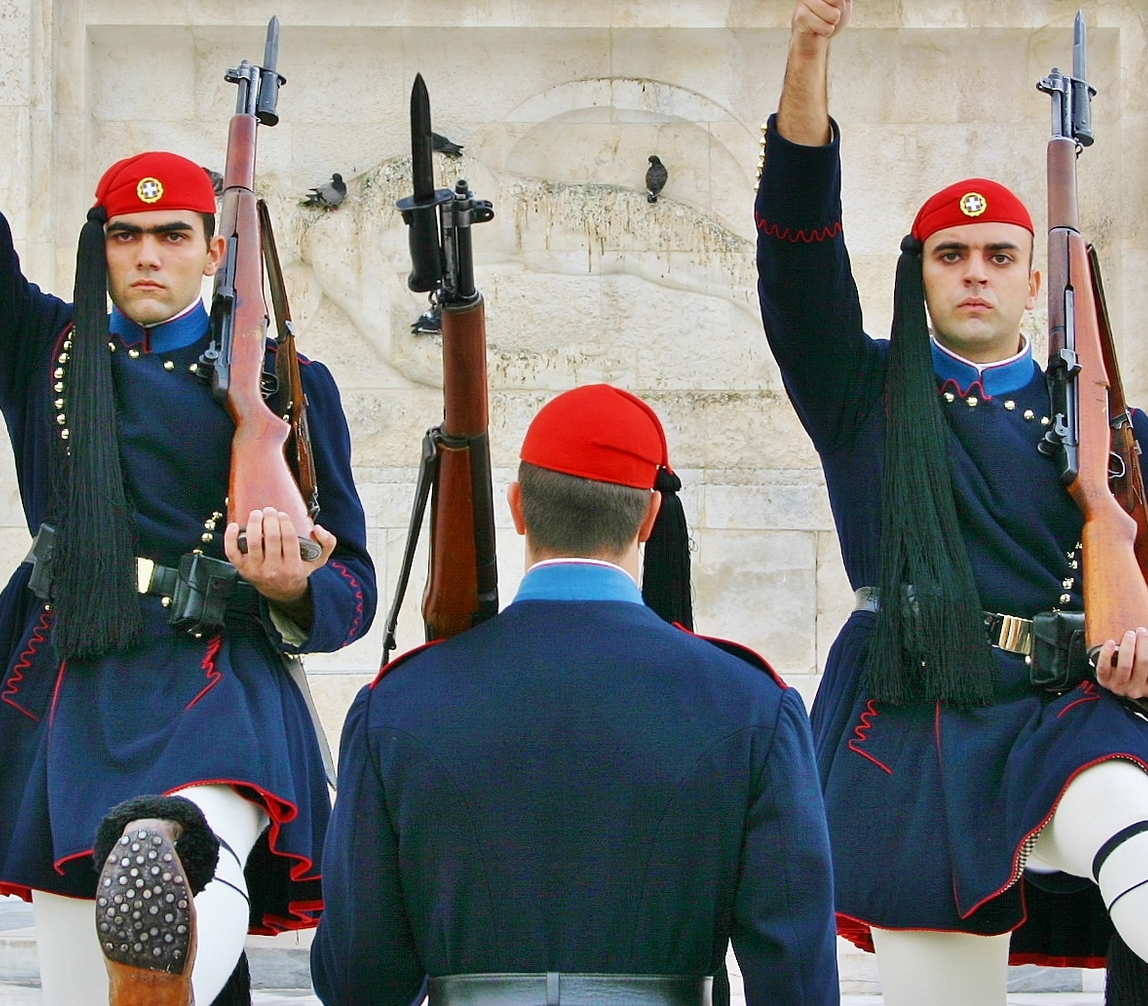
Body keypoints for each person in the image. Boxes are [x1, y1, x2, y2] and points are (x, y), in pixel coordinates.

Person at [756, 0, 1148, 1006]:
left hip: (1061, 702)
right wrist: (808, 60)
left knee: (1121, 802)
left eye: (999, 255)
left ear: (1032, 279)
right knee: (940, 993)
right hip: (917, 705)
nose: (973, 272)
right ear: (920, 274)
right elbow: (797, 252)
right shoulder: (863, 393)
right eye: (950, 254)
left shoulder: (1107, 430)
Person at [0, 0, 377, 1006]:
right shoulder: (46, 350)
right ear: (102, 248)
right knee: (97, 983)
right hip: (76, 664)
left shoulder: (290, 386)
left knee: (182, 852)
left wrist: (294, 585)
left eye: (173, 234)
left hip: (220, 679)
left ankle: (171, 863)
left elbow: (353, 592)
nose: (147, 254)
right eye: (126, 236)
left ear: (218, 250)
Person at [310, 383, 840, 1006]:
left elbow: (357, 978)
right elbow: (796, 979)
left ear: (517, 508)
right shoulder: (751, 704)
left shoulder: (397, 705)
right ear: (649, 518)